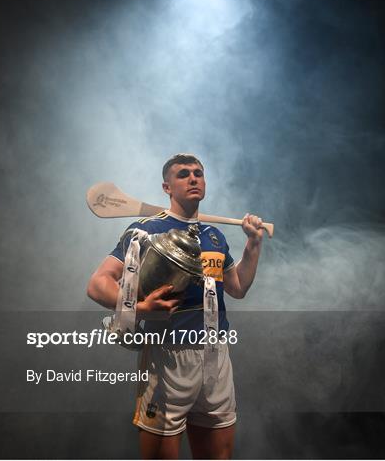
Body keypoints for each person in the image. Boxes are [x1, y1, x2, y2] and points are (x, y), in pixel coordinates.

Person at [87, 153, 264, 459]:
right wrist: (140, 307)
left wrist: (253, 245)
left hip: (215, 354)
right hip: (167, 355)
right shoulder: (145, 231)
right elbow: (98, 283)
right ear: (166, 187)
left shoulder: (214, 236)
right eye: (183, 174)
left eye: (198, 173)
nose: (193, 178)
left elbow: (238, 288)